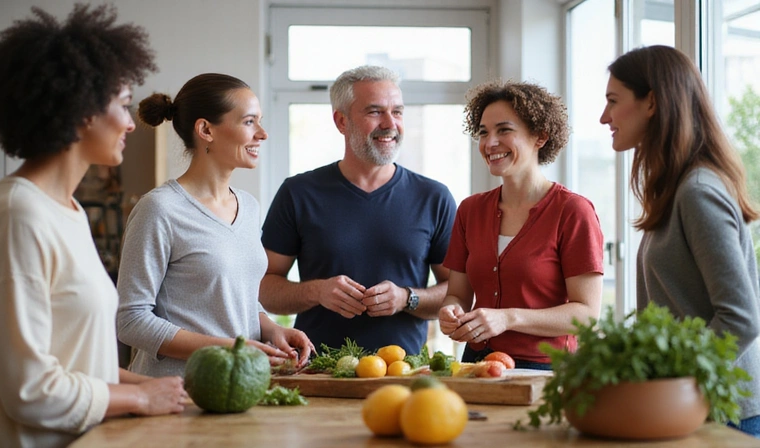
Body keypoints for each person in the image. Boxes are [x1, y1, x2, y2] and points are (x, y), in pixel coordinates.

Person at [0, 5, 187, 447]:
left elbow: (76, 359)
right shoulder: (20, 214)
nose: (129, 123)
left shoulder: (70, 212)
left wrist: (146, 386)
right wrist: (138, 399)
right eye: (122, 105)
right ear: (81, 110)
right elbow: (28, 390)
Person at [600, 45, 760, 438]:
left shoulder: (697, 191)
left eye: (613, 101)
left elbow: (741, 317)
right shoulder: (676, 189)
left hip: (724, 413)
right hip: (695, 406)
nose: (604, 117)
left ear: (651, 102)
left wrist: (666, 376)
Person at [116, 73, 315, 378]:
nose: (262, 133)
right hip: (176, 395)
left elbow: (233, 299)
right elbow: (131, 320)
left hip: (241, 388)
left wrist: (270, 328)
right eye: (249, 122)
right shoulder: (159, 209)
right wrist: (227, 348)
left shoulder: (248, 206)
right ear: (206, 129)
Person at [260, 66, 457, 355]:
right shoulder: (298, 193)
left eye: (398, 112)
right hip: (318, 372)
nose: (390, 123)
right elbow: (264, 289)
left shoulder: (433, 197)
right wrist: (318, 291)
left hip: (405, 373)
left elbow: (457, 293)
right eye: (375, 112)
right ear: (341, 121)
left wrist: (407, 298)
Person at [438, 80, 605, 370]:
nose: (490, 143)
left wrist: (508, 318)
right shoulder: (470, 210)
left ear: (540, 137)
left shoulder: (573, 212)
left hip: (545, 370)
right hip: (477, 365)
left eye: (504, 130)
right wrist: (450, 310)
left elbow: (587, 315)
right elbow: (458, 294)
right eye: (483, 132)